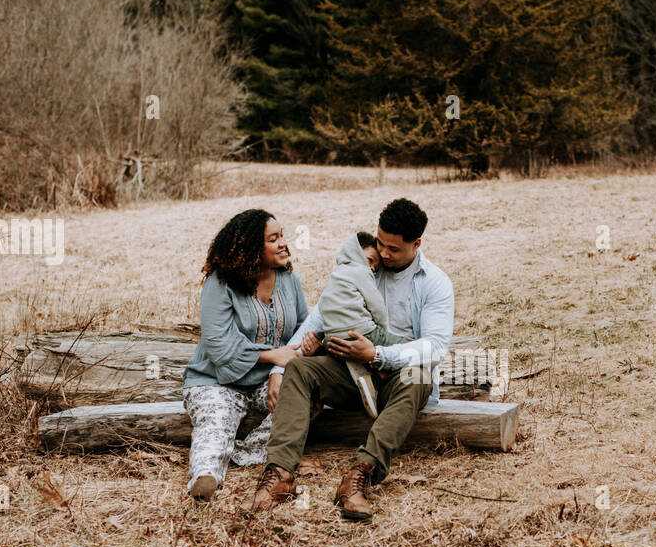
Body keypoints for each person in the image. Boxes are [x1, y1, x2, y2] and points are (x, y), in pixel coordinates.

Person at [248, 198, 454, 520]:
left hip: (396, 378)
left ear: (417, 243)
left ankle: (360, 475)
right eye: (380, 244)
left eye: (393, 249)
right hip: (348, 372)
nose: (383, 255)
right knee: (300, 369)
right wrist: (279, 366)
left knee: (420, 377)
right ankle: (280, 474)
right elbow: (321, 314)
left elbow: (436, 346)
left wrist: (378, 354)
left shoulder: (435, 284)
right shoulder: (364, 264)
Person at [181, 208, 308, 501]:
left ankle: (241, 452)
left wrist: (280, 370)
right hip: (215, 380)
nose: (284, 243)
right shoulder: (221, 282)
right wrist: (273, 356)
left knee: (304, 397)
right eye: (273, 239)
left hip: (267, 381)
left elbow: (303, 328)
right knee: (216, 419)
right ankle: (206, 476)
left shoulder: (289, 280)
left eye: (283, 236)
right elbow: (217, 343)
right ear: (252, 248)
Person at [315, 231, 407, 418]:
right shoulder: (361, 271)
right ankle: (378, 378)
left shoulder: (337, 275)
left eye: (375, 266)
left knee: (360, 353)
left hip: (333, 337)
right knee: (406, 347)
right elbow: (376, 305)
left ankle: (366, 377)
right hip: (362, 330)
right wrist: (381, 328)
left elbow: (325, 306)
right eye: (371, 260)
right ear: (356, 252)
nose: (373, 268)